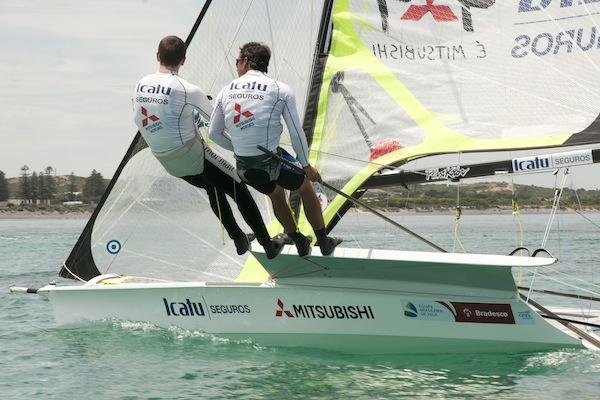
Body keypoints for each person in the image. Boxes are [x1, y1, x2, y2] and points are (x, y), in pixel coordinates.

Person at [132, 36, 284, 259]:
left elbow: (145, 118)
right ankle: (268, 245)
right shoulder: (187, 89)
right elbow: (217, 122)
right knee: (238, 187)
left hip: (166, 161)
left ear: (157, 56)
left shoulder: (139, 84)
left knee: (213, 186)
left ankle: (239, 238)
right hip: (191, 156)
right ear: (183, 60)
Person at [208, 42, 342, 256]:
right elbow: (297, 134)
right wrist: (306, 165)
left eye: (237, 62)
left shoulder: (225, 91)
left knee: (276, 194)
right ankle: (324, 241)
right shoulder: (280, 89)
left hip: (246, 168)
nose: (236, 66)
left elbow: (214, 134)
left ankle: (298, 240)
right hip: (271, 161)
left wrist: (241, 148)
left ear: (246, 62)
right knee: (306, 187)